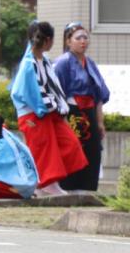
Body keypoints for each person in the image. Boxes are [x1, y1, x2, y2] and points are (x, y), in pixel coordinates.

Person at [9, 20, 86, 195]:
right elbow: (23, 93)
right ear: (48, 40)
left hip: (49, 112)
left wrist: (55, 108)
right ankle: (46, 185)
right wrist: (50, 106)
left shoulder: (42, 61)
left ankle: (46, 184)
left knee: (69, 144)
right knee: (45, 150)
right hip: (34, 114)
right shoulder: (29, 65)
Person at [54, 22, 109, 191]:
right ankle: (69, 187)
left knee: (93, 150)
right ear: (68, 41)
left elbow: (99, 94)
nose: (83, 41)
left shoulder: (90, 63)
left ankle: (89, 188)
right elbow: (56, 94)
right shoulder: (62, 63)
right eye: (78, 38)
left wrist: (100, 121)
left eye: (85, 37)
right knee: (73, 149)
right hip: (71, 112)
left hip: (90, 112)